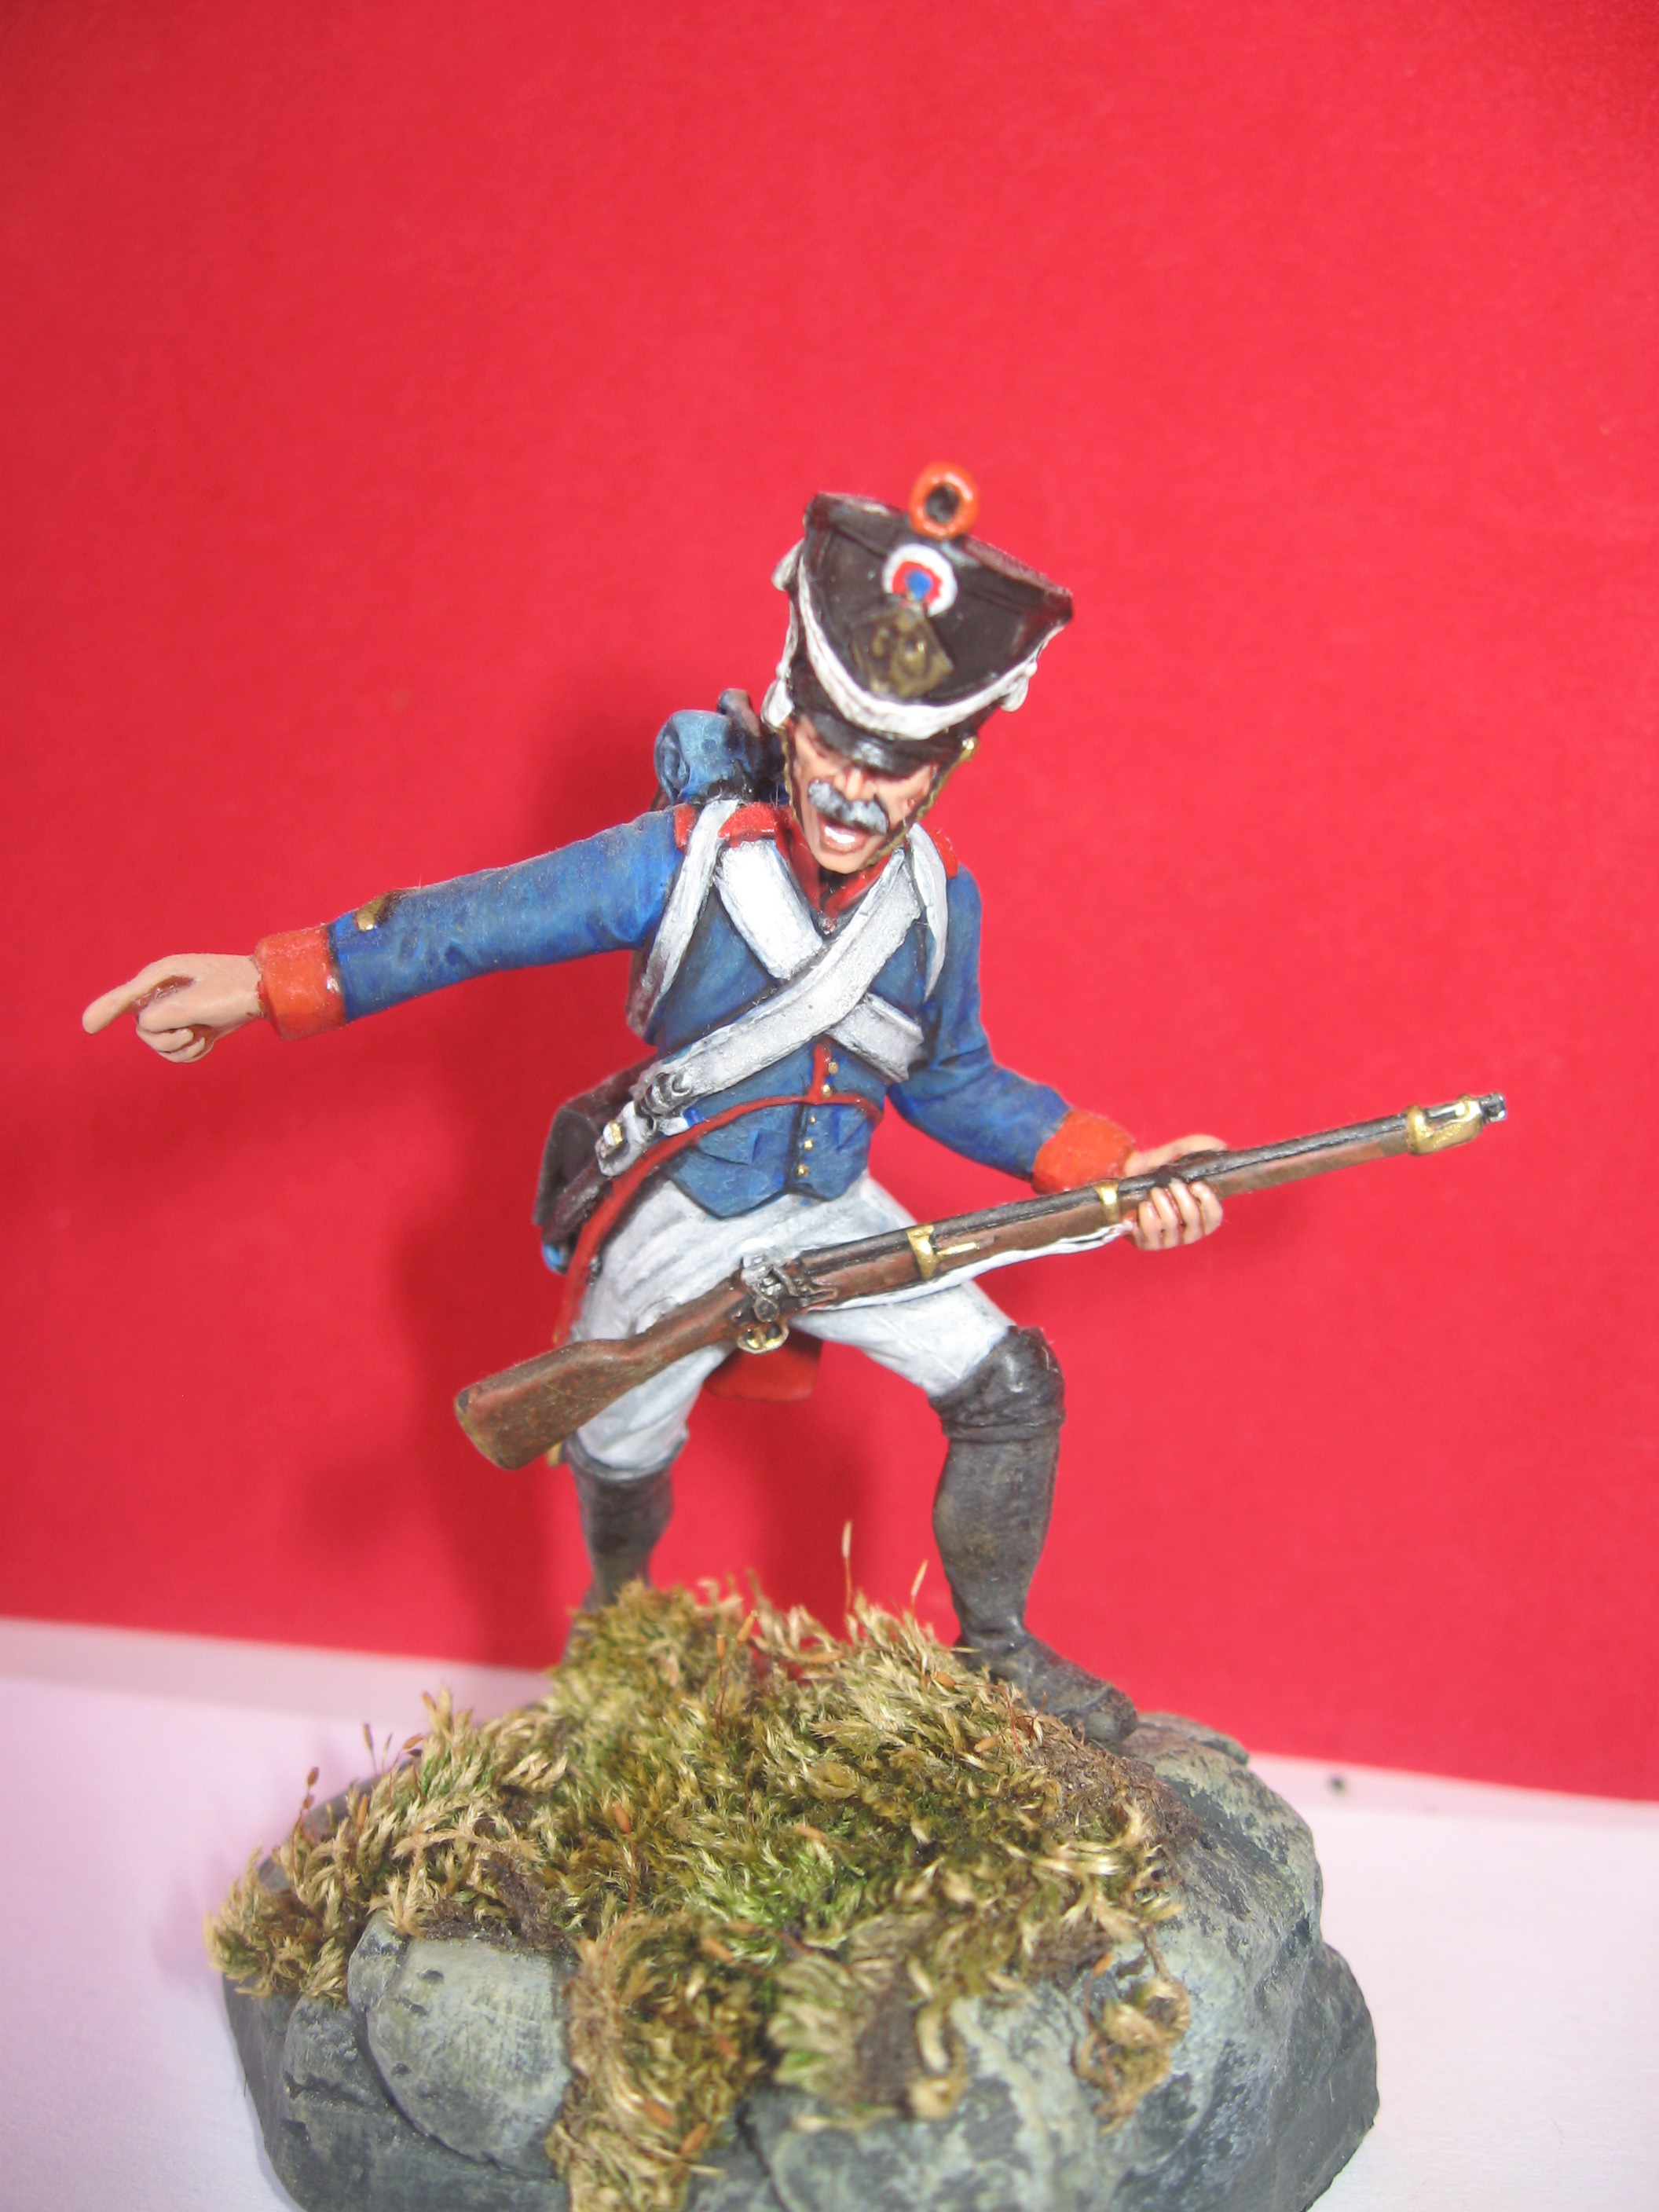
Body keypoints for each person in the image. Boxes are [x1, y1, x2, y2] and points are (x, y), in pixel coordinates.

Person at [83, 465, 1222, 1745]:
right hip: (680, 1204)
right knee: (620, 1445)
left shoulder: (934, 904)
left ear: (943, 768)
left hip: (834, 1207)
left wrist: (1109, 1167)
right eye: (835, 746)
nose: (855, 791)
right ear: (790, 714)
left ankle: (999, 1655)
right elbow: (469, 925)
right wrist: (269, 981)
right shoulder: (680, 864)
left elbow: (952, 1081)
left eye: (895, 766)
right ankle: (617, 1623)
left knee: (1010, 1382)